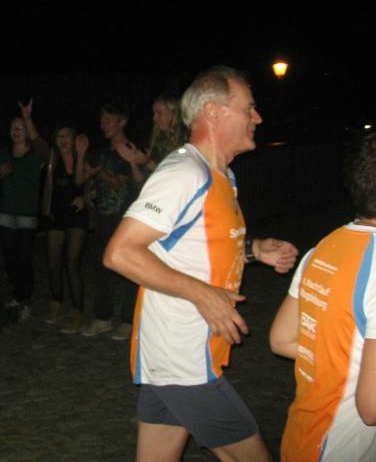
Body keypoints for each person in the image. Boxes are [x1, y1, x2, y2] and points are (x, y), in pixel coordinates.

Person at [105, 66, 299, 461]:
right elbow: (120, 253)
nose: (258, 117)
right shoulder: (184, 172)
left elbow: (195, 248)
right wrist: (203, 295)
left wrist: (254, 250)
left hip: (180, 360)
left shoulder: (222, 175)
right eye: (249, 108)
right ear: (213, 112)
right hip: (184, 362)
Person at [270, 132, 376, 461]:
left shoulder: (323, 247)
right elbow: (371, 407)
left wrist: (344, 366)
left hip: (301, 438)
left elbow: (281, 339)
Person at [22, 101, 90, 333]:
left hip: (77, 216)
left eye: (67, 135)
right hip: (55, 215)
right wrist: (27, 118)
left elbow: (81, 182)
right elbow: (36, 140)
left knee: (72, 264)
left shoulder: (84, 156)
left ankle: (78, 313)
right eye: (59, 136)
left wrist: (81, 155)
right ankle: (56, 303)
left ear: (74, 137)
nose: (63, 140)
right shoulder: (51, 158)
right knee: (53, 264)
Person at [81, 103, 143, 340]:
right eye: (102, 120)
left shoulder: (130, 150)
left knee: (128, 269)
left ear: (121, 121)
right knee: (101, 268)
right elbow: (89, 179)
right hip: (103, 218)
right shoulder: (101, 152)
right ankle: (102, 318)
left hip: (126, 220)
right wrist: (89, 190)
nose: (103, 125)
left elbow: (118, 183)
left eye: (108, 120)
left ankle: (128, 320)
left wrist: (97, 173)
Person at [0, 101, 49, 320]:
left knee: (24, 258)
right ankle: (17, 294)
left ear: (27, 131)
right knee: (10, 258)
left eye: (21, 128)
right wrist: (1, 174)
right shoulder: (3, 154)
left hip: (27, 215)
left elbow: (46, 152)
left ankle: (25, 299)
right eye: (13, 128)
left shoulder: (35, 156)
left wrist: (28, 118)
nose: (16, 131)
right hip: (6, 214)